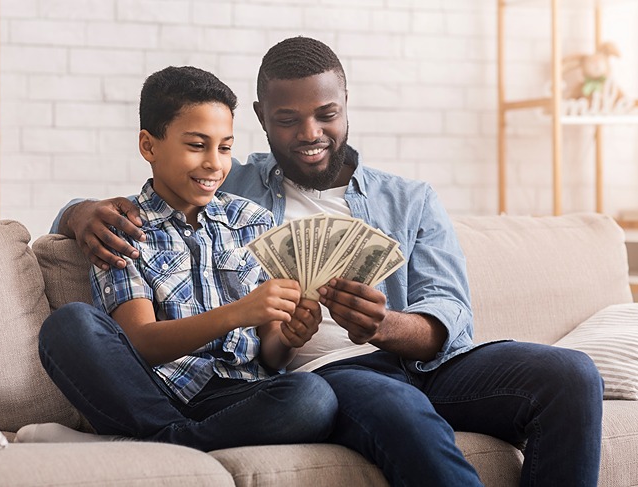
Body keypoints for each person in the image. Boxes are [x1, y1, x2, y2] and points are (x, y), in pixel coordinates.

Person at [50, 37, 604, 486]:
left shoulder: (408, 199)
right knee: (386, 406)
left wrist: (385, 324)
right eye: (288, 119)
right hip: (332, 372)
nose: (310, 134)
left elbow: (452, 314)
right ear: (263, 119)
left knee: (571, 375)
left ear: (346, 107)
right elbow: (160, 191)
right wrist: (77, 212)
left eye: (326, 114)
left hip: (423, 364)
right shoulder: (230, 185)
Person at [38, 65, 338, 452]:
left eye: (225, 147)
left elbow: (271, 353)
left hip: (240, 394)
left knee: (314, 397)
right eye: (197, 145)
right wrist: (238, 313)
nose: (215, 163)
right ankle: (170, 434)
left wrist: (290, 337)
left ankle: (158, 440)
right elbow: (141, 343)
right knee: (69, 324)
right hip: (156, 392)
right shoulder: (121, 227)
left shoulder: (253, 222)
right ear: (149, 146)